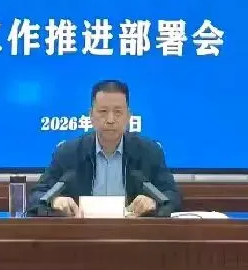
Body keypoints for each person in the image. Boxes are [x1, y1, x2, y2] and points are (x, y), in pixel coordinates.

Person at [29, 80, 181, 217]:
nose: (110, 120)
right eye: (103, 112)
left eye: (118, 112)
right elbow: (37, 195)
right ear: (91, 115)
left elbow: (172, 195)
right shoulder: (68, 153)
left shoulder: (149, 152)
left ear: (128, 116)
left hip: (134, 233)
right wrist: (55, 200)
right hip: (79, 234)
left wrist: (153, 203)